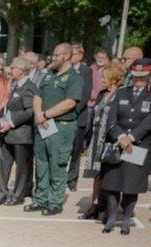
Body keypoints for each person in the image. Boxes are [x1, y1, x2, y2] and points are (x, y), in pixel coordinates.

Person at [100, 58, 151, 234]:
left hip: (137, 145)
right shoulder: (121, 92)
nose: (138, 81)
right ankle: (111, 217)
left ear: (149, 76)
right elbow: (112, 117)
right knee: (113, 183)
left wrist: (131, 137)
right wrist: (120, 136)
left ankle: (126, 219)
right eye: (135, 77)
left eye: (142, 77)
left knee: (130, 184)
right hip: (118, 144)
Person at [26, 42, 84, 216]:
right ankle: (40, 198)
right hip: (43, 124)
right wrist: (39, 115)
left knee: (57, 164)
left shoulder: (75, 77)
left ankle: (54, 201)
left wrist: (46, 114)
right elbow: (37, 96)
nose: (53, 58)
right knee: (41, 163)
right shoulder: (48, 75)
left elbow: (70, 102)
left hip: (61, 126)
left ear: (66, 56)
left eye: (57, 55)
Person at [80, 61, 126, 219]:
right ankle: (94, 206)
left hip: (111, 140)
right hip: (97, 139)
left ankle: (108, 208)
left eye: (104, 77)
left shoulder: (121, 94)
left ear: (114, 79)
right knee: (97, 175)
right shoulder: (101, 94)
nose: (102, 80)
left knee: (109, 175)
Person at [0, 56, 37, 206]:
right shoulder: (15, 85)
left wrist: (11, 123)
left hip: (21, 133)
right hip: (8, 133)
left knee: (22, 166)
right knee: (4, 164)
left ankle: (18, 194)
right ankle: (3, 192)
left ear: (22, 70)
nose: (10, 70)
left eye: (13, 67)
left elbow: (29, 111)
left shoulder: (29, 87)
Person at [66, 43, 93, 192]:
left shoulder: (86, 71)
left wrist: (72, 109)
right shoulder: (65, 70)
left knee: (76, 150)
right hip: (63, 116)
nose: (71, 56)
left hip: (78, 115)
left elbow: (85, 94)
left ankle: (72, 179)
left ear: (80, 55)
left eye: (74, 54)